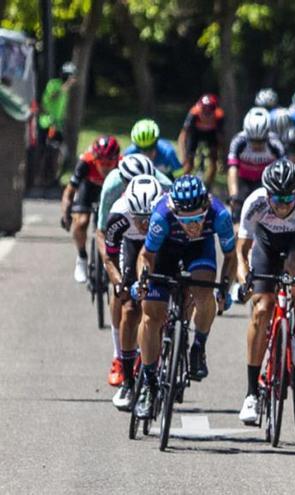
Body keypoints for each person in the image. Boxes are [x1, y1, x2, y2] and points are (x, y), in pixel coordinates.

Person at [133, 175, 235, 419]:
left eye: (198, 219)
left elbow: (230, 257)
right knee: (151, 314)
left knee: (204, 291)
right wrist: (143, 281)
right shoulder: (162, 216)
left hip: (199, 250)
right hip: (165, 251)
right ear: (174, 210)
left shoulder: (220, 215)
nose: (192, 226)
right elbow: (146, 256)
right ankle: (148, 383)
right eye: (186, 220)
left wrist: (224, 289)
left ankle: (198, 346)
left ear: (205, 207)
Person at [235, 160, 295, 424]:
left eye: (289, 198)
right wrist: (244, 280)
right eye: (277, 198)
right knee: (262, 308)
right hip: (266, 242)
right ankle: (251, 393)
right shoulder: (255, 203)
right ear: (267, 193)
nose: (283, 204)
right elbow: (241, 252)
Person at [103, 174, 163, 409]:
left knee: (160, 303)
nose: (144, 224)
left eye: (148, 218)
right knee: (129, 308)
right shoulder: (119, 214)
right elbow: (109, 257)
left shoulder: (167, 213)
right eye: (139, 218)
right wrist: (118, 282)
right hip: (130, 246)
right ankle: (128, 381)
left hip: (159, 247)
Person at [60, 135, 120, 283]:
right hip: (89, 189)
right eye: (102, 162)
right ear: (94, 159)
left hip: (111, 190)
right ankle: (81, 257)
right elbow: (69, 191)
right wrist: (66, 214)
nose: (105, 167)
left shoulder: (122, 164)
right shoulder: (85, 162)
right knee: (80, 222)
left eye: (109, 162)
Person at [227, 107, 286, 223]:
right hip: (243, 181)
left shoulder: (275, 144)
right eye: (252, 140)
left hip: (265, 182)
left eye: (261, 141)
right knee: (238, 216)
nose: (256, 145)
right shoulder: (238, 141)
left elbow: (283, 172)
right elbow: (232, 169)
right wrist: (233, 195)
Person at [36, 61, 76, 185]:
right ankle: (40, 177)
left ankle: (53, 176)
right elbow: (50, 98)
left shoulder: (67, 89)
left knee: (58, 150)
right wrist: (64, 88)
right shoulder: (54, 84)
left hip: (58, 124)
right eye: (70, 76)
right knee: (45, 150)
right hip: (48, 123)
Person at [178, 94, 224, 187]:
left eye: (209, 112)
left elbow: (220, 137)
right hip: (195, 133)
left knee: (213, 162)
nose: (206, 116)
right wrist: (184, 155)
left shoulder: (219, 115)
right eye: (203, 111)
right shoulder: (194, 113)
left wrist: (221, 157)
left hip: (211, 134)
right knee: (189, 163)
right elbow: (183, 135)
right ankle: (180, 184)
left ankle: (208, 185)